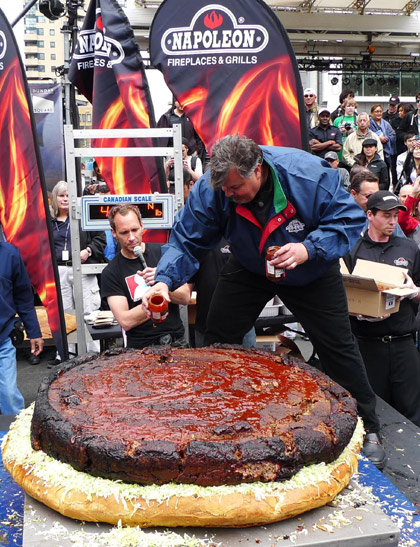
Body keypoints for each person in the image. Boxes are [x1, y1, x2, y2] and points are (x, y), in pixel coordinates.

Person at [141, 134, 386, 469]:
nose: (228, 194)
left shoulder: (306, 176)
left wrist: (308, 248)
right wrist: (164, 282)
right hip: (251, 263)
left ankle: (368, 426)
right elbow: (186, 240)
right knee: (219, 337)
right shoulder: (215, 188)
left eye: (235, 187)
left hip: (308, 268)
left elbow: (349, 220)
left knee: (338, 346)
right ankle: (217, 416)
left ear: (257, 170)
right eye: (223, 189)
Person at [345, 190, 420, 427]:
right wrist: (355, 311)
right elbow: (339, 297)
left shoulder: (409, 248)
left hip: (404, 343)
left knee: (413, 411)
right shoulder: (352, 250)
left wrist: (414, 292)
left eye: (395, 216)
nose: (392, 221)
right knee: (374, 411)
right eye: (386, 215)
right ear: (369, 215)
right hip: (368, 344)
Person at [101, 204, 191, 349]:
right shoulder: (111, 272)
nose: (131, 237)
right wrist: (155, 300)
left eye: (135, 230)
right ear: (114, 233)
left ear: (142, 226)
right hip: (141, 348)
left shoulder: (163, 253)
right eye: (124, 232)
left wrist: (163, 281)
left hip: (176, 342)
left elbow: (185, 297)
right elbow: (125, 321)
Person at [50, 181, 106, 361]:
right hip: (59, 271)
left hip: (83, 269)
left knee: (88, 310)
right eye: (61, 195)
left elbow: (100, 239)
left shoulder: (85, 215)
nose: (65, 199)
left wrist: (88, 251)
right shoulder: (48, 221)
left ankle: (92, 354)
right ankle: (67, 353)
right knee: (65, 312)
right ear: (55, 198)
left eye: (68, 195)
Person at [0, 241, 43, 413]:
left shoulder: (10, 254)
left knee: (9, 396)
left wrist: (34, 332)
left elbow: (24, 297)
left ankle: (12, 437)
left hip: (2, 340)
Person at [369, 104, 396, 172]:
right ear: (372, 113)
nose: (379, 113)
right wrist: (378, 138)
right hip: (373, 151)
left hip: (386, 151)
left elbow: (393, 135)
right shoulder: (369, 123)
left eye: (380, 111)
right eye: (376, 111)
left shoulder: (386, 124)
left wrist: (386, 138)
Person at [332, 97, 358, 162]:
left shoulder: (359, 119)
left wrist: (354, 131)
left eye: (353, 106)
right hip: (340, 152)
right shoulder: (337, 120)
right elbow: (332, 136)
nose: (351, 108)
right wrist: (339, 132)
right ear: (344, 107)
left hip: (354, 151)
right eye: (348, 106)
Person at [398, 179, 420, 245]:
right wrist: (412, 194)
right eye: (404, 196)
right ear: (398, 197)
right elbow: (402, 221)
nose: (407, 199)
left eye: (409, 196)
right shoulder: (395, 216)